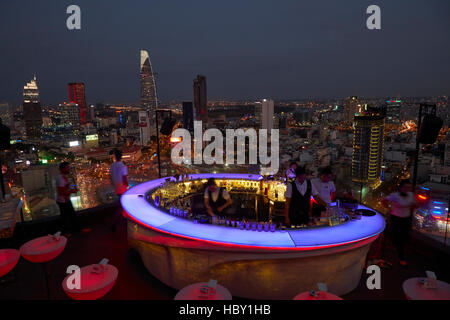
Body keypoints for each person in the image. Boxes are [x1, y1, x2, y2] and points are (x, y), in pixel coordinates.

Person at [381, 179, 417, 267]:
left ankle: (398, 250)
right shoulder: (395, 195)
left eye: (409, 187)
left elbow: (414, 204)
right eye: (405, 187)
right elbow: (383, 200)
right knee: (399, 238)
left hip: (407, 219)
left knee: (405, 237)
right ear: (400, 187)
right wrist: (389, 208)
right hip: (396, 219)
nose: (407, 189)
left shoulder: (411, 195)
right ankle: (402, 258)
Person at [56, 162, 81, 236]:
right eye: (67, 168)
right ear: (62, 169)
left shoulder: (63, 176)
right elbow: (62, 192)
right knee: (66, 217)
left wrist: (71, 188)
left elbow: (66, 188)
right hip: (63, 201)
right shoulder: (60, 178)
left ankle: (72, 230)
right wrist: (73, 191)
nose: (69, 169)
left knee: (69, 216)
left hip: (65, 200)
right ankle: (68, 232)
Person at [110, 149, 129, 231]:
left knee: (122, 205)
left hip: (116, 188)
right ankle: (113, 223)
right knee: (122, 206)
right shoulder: (123, 166)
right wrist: (128, 187)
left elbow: (111, 178)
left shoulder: (112, 166)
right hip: (123, 189)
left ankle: (124, 220)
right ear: (121, 156)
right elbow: (124, 180)